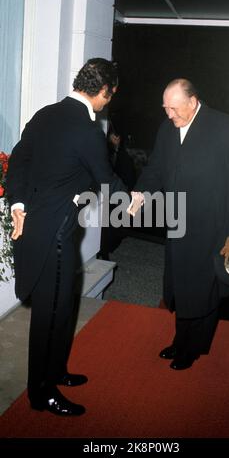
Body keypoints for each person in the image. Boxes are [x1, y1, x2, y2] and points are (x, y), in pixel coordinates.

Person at [6, 58, 127, 416]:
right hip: (55, 234)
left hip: (40, 226)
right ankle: (41, 393)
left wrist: (18, 203)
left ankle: (55, 371)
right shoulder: (88, 131)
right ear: (104, 91)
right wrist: (135, 198)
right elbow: (105, 179)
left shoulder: (45, 115)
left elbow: (18, 161)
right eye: (110, 96)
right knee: (51, 313)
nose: (108, 103)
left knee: (62, 306)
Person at [128, 78, 229, 370]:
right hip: (178, 223)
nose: (169, 115)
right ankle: (180, 340)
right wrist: (141, 193)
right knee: (181, 286)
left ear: (193, 102)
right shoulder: (167, 129)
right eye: (165, 109)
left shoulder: (225, 127)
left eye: (174, 109)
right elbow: (156, 168)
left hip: (213, 227)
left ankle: (193, 347)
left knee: (204, 289)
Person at [99, 125, 136, 259]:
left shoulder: (121, 155)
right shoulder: (107, 151)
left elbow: (127, 176)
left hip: (117, 194)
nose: (115, 139)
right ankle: (104, 250)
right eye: (113, 137)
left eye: (116, 137)